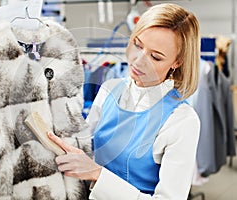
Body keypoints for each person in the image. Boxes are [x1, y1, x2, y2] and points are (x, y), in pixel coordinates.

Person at [48, 3, 200, 199]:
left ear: (177, 62)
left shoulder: (181, 120)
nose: (138, 61)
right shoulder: (110, 90)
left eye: (155, 57)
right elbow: (86, 148)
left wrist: (97, 174)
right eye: (137, 45)